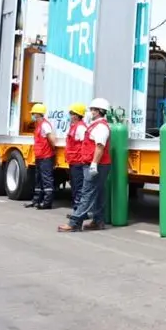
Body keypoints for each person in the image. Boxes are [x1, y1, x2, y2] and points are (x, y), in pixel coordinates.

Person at [59, 98, 112, 232]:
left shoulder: (101, 127)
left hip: (96, 165)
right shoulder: (95, 125)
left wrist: (94, 164)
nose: (91, 112)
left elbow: (100, 147)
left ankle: (74, 223)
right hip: (95, 164)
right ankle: (98, 221)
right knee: (98, 193)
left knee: (86, 193)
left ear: (100, 111)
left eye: (94, 109)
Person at [26, 103, 57, 210]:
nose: (32, 115)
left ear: (38, 114)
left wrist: (53, 152)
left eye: (33, 113)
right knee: (38, 179)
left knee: (46, 179)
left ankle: (47, 202)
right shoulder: (38, 125)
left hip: (46, 156)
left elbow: (52, 139)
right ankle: (36, 200)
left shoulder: (45, 125)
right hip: (39, 156)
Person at [65, 103, 87, 214]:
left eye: (72, 113)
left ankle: (79, 212)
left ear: (77, 115)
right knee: (74, 186)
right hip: (73, 161)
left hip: (78, 162)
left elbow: (86, 144)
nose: (70, 115)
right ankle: (76, 210)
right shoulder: (74, 127)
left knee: (79, 187)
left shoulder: (81, 128)